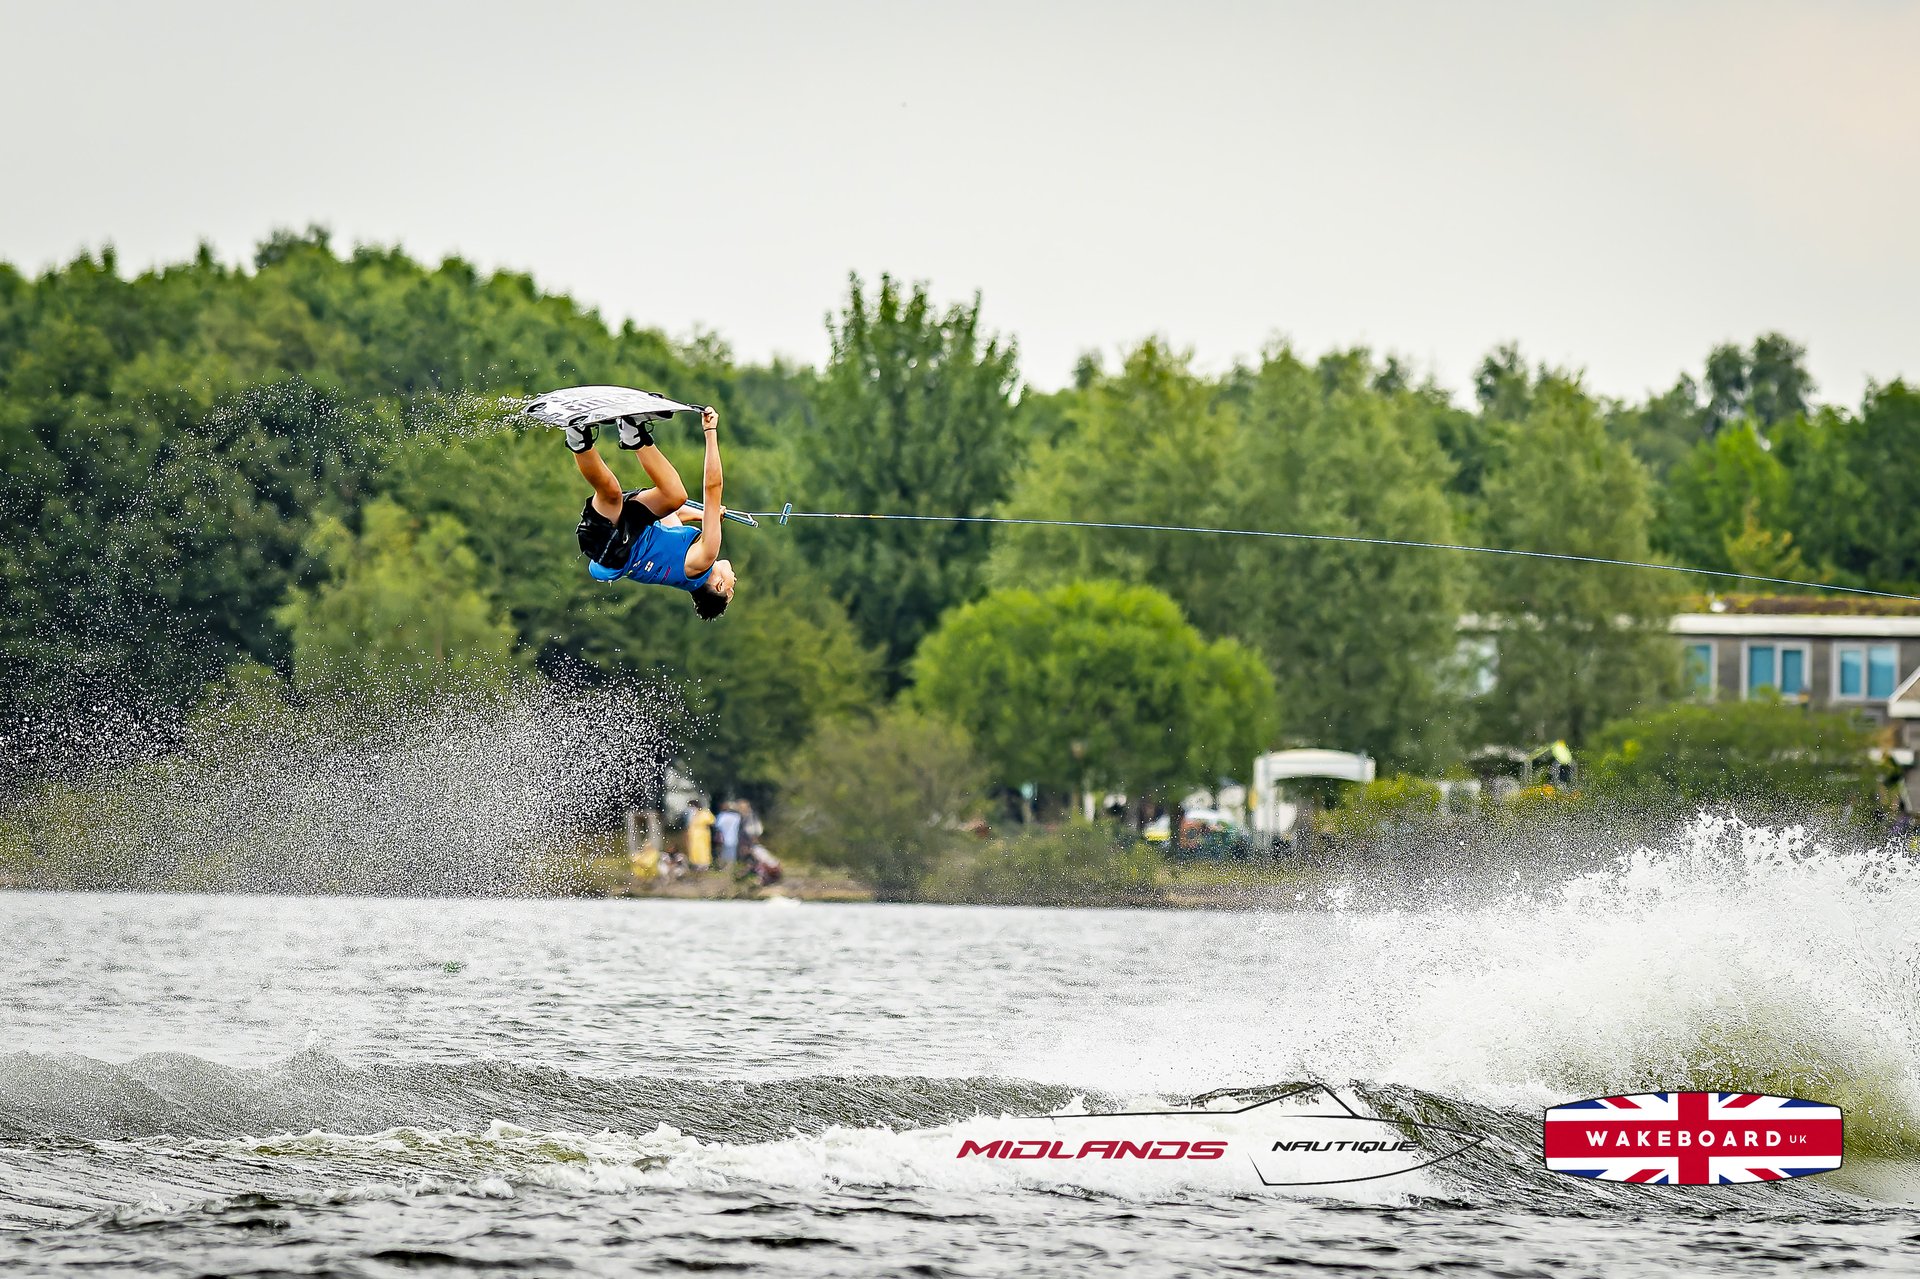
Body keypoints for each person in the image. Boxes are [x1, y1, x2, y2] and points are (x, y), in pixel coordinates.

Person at [568, 405, 735, 619]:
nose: (734, 582)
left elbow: (713, 488)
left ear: (720, 586)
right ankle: (633, 432)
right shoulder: (687, 565)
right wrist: (704, 515)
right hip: (629, 531)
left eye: (732, 590)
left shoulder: (706, 556)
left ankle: (577, 435)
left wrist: (710, 433)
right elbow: (669, 515)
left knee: (611, 492)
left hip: (612, 546)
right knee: (674, 496)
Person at [684, 798, 715, 871]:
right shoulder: (693, 814)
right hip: (693, 835)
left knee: (703, 849)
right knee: (693, 849)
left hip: (702, 835)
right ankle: (696, 864)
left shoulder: (704, 813)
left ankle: (704, 865)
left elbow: (711, 822)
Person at [713, 800, 743, 870]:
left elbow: (717, 826)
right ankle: (730, 869)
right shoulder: (737, 816)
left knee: (722, 854)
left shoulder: (721, 816)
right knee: (732, 855)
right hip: (734, 838)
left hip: (723, 839)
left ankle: (723, 869)